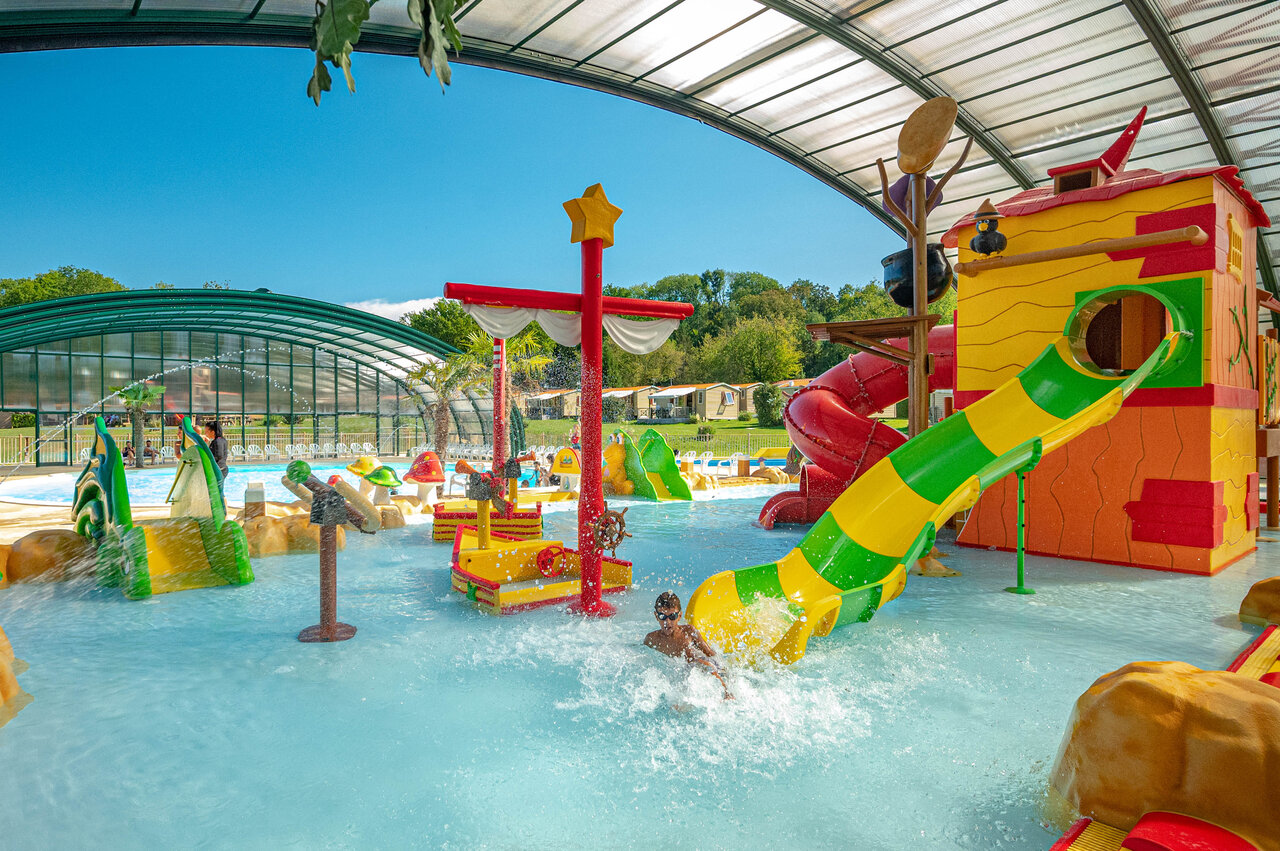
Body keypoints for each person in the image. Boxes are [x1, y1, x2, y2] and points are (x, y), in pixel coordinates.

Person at [643, 591, 733, 700]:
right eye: (662, 616)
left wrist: (726, 671)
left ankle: (727, 693)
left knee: (700, 662)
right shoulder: (652, 639)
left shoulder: (689, 632)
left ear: (679, 616)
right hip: (682, 672)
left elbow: (710, 654)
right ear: (656, 616)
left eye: (672, 616)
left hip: (703, 665)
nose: (667, 622)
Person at [204, 421, 229, 490]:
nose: (205, 434)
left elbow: (218, 455)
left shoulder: (218, 441)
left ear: (212, 432)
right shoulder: (219, 440)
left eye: (206, 432)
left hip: (220, 469)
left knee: (218, 492)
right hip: (220, 468)